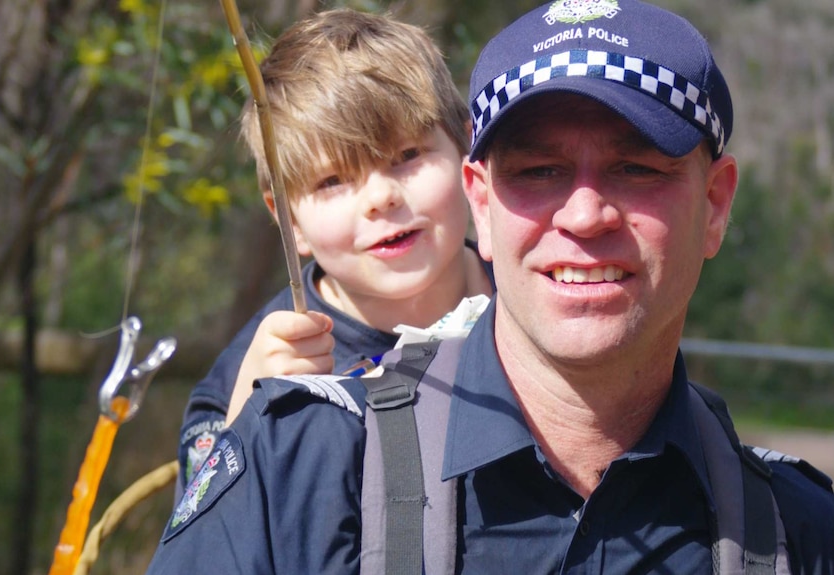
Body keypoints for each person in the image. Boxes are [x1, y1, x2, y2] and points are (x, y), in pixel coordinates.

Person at [149, 0, 834, 573]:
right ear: (486, 199)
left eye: (636, 167)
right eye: (538, 170)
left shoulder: (792, 529)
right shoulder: (293, 454)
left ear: (715, 205)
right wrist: (243, 430)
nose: (584, 214)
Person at [175, 8, 493, 496]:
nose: (380, 197)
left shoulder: (530, 295)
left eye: (407, 156)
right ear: (289, 221)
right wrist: (246, 424)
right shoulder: (264, 366)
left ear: (467, 154)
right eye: (332, 181)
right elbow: (197, 531)